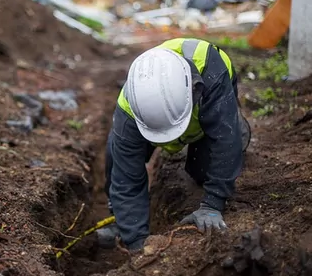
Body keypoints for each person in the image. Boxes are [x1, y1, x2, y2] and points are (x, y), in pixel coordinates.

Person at [96, 38, 251, 253]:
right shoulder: (130, 106)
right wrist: (137, 244)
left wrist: (212, 205)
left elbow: (225, 140)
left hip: (207, 110)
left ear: (195, 91)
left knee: (208, 165)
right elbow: (126, 179)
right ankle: (119, 219)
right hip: (153, 119)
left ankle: (236, 123)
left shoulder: (212, 71)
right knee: (116, 158)